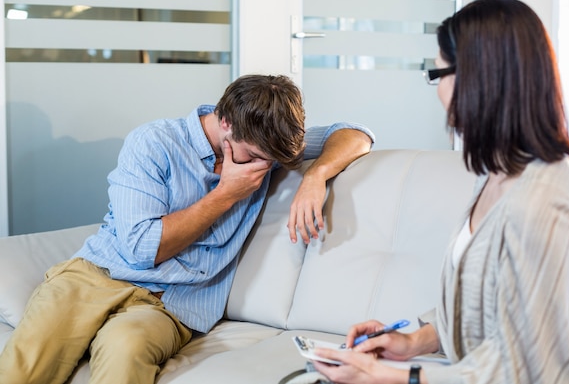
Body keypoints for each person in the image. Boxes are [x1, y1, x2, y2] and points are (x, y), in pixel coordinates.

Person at [0, 74, 375, 384]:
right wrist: (226, 194)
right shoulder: (154, 143)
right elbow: (143, 249)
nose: (265, 168)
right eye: (259, 158)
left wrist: (317, 176)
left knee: (125, 349)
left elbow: (356, 133)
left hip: (171, 305)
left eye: (274, 161)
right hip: (97, 277)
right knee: (25, 365)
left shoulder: (265, 145)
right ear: (225, 123)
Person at [312, 0, 569, 384]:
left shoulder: (546, 200)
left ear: (478, 78)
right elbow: (488, 313)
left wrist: (392, 377)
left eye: (439, 74)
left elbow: (529, 367)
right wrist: (414, 341)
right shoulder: (498, 175)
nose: (437, 91)